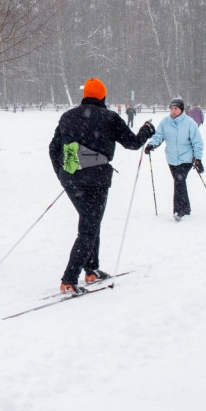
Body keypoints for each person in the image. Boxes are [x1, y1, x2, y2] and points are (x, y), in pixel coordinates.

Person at [48, 78, 154, 295]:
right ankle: (69, 279)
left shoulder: (68, 116)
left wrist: (62, 174)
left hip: (71, 178)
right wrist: (146, 130)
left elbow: (53, 148)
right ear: (103, 97)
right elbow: (133, 144)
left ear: (84, 95)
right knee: (89, 228)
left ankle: (91, 269)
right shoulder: (109, 117)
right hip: (96, 180)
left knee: (90, 224)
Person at [145, 97, 204, 221]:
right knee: (180, 183)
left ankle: (178, 210)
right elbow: (159, 135)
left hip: (186, 158)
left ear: (181, 110)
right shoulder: (165, 122)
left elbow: (197, 142)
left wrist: (198, 158)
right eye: (171, 108)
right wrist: (151, 144)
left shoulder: (189, 123)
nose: (173, 111)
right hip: (172, 158)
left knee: (179, 181)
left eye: (175, 108)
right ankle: (186, 208)